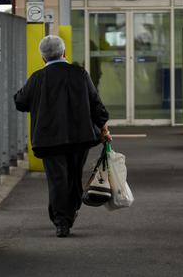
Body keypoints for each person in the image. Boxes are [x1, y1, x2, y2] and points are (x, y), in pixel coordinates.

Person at [14, 35, 111, 238]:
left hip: (49, 139)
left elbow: (20, 102)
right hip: (80, 137)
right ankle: (71, 211)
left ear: (43, 58)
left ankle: (61, 223)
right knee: (74, 176)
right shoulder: (80, 74)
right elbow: (96, 103)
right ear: (64, 53)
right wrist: (103, 127)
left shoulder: (37, 77)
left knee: (58, 180)